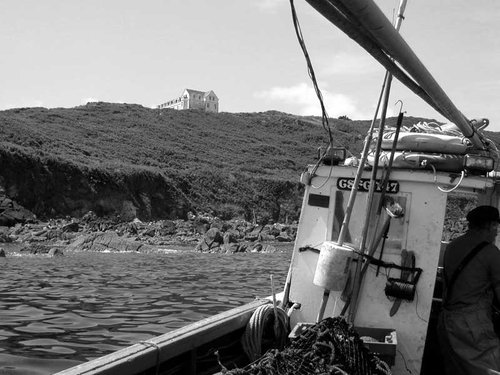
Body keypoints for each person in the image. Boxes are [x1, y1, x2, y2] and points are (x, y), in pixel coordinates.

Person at [437, 205, 500, 374]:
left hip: (446, 321)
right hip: (472, 326)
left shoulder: (453, 246)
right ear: (490, 226)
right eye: (496, 227)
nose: (497, 232)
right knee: (491, 369)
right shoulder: (490, 252)